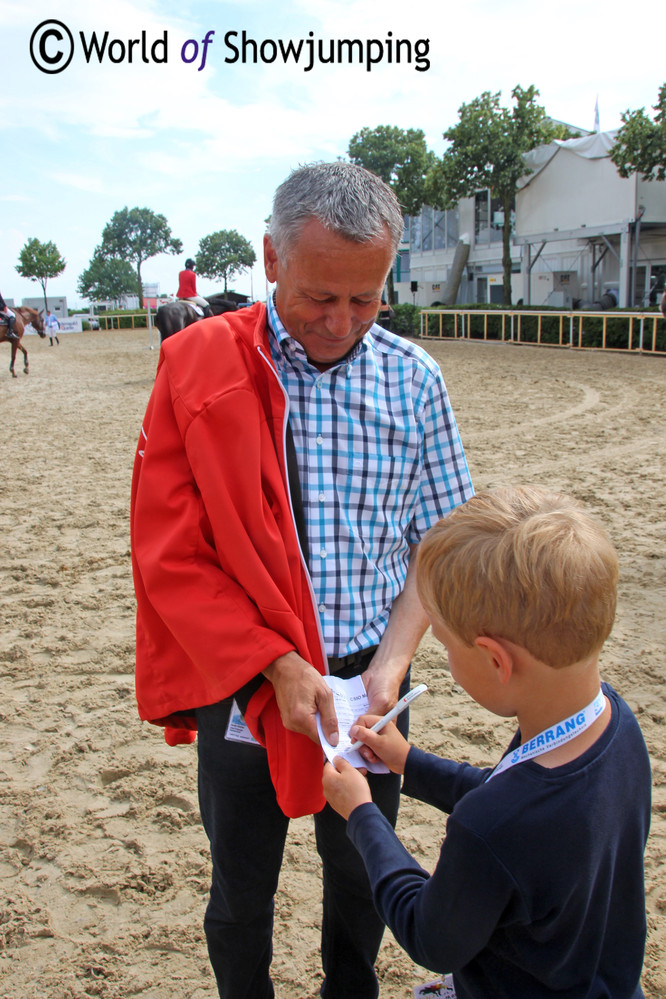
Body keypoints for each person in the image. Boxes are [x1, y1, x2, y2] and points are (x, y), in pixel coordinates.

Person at [130, 161, 474, 999]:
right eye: (322, 296)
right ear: (272, 258)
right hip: (246, 684)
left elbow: (439, 542)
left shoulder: (414, 379)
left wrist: (390, 662)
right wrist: (273, 662)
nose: (342, 322)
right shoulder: (200, 366)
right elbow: (171, 553)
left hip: (367, 682)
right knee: (240, 894)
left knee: (362, 884)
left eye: (367, 299)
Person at [323, 485, 651, 999]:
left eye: (448, 647)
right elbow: (512, 794)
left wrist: (362, 815)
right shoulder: (616, 726)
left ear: (496, 660)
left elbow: (430, 936)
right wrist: (409, 760)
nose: (449, 663)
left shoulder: (488, 827)